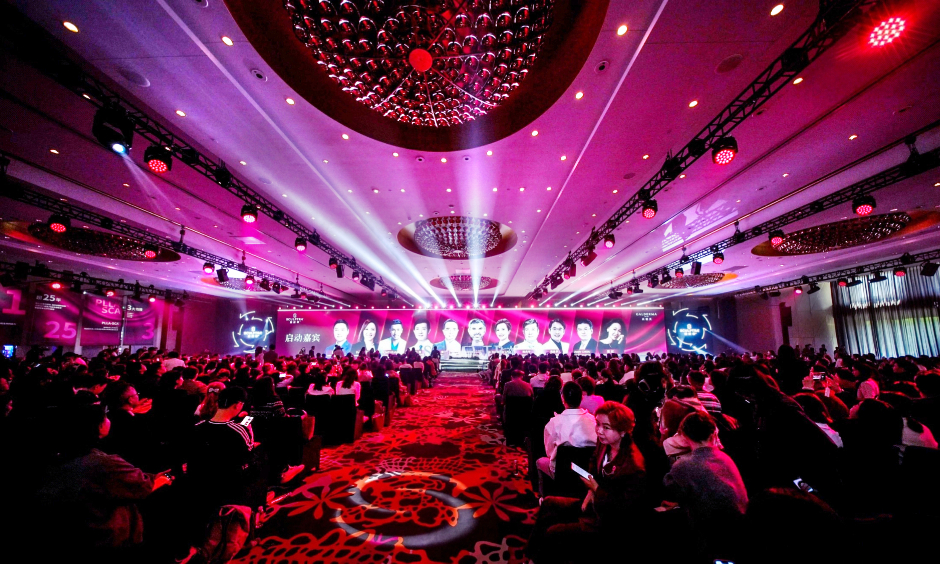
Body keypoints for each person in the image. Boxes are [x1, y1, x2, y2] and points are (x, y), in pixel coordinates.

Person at [36, 403, 172, 561]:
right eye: (105, 417)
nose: (109, 420)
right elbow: (141, 487)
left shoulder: (63, 455)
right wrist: (165, 478)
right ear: (98, 426)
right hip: (107, 537)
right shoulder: (104, 464)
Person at [526, 402, 647, 563]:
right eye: (598, 424)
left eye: (606, 427)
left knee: (554, 533)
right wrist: (591, 491)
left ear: (623, 431)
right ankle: (531, 556)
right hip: (595, 504)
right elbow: (593, 462)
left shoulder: (633, 466)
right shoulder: (605, 443)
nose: (599, 430)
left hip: (608, 522)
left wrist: (596, 489)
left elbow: (622, 510)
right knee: (549, 503)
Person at [663, 411, 748, 560]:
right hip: (741, 532)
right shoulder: (725, 458)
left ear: (684, 435)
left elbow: (670, 488)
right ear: (712, 434)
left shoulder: (684, 465)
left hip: (711, 540)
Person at [537, 382, 597, 480]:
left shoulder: (554, 422)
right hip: (588, 472)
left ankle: (546, 490)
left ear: (562, 398)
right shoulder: (593, 420)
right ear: (582, 398)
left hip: (562, 471)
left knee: (540, 461)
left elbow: (549, 452)